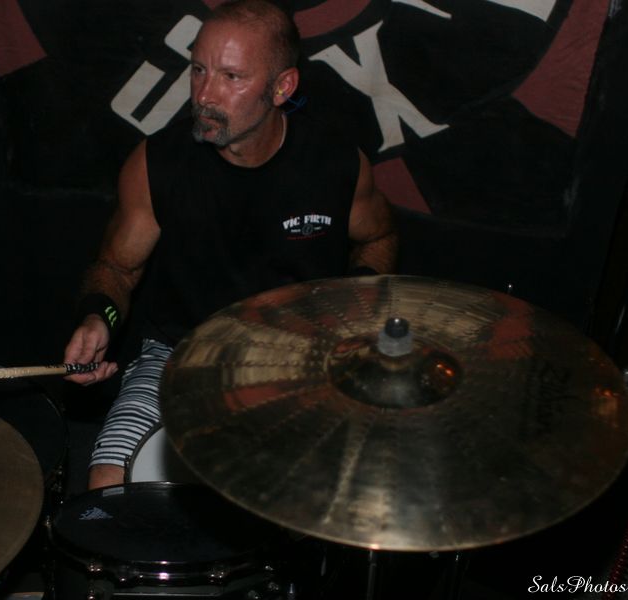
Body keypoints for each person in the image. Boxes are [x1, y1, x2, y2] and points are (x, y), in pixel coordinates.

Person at [63, 0, 397, 489]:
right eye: (199, 70)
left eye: (231, 77)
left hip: (300, 360)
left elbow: (378, 238)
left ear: (282, 87)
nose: (205, 95)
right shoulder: (156, 163)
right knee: (108, 485)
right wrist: (99, 317)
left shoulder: (336, 165)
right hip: (176, 355)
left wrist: (357, 307)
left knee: (329, 491)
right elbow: (117, 268)